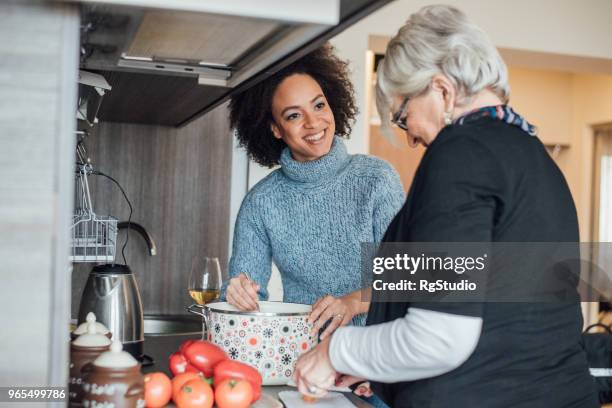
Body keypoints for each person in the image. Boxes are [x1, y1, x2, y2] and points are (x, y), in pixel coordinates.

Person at [293, 6, 598, 408]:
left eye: (403, 116)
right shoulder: (534, 158)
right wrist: (379, 363)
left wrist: (335, 351)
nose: (412, 138)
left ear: (442, 90)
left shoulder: (460, 155)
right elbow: (495, 314)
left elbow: (439, 338)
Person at [221, 44, 405, 341]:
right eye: (294, 115)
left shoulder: (376, 180)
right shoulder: (261, 203)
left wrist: (350, 302)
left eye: (319, 105)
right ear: (275, 129)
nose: (313, 122)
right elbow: (243, 302)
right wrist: (236, 294)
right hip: (303, 362)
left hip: (377, 359)